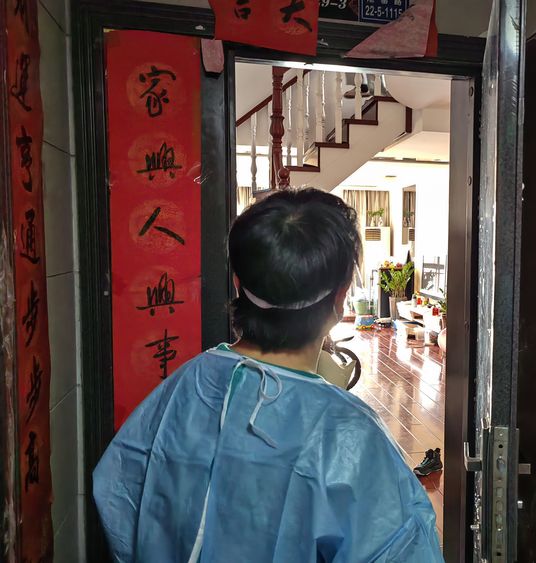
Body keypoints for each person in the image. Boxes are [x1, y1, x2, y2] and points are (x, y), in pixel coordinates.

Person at [93, 188, 443, 562]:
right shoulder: (348, 433)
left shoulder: (185, 385)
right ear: (341, 298)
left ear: (237, 283)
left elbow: (117, 492)